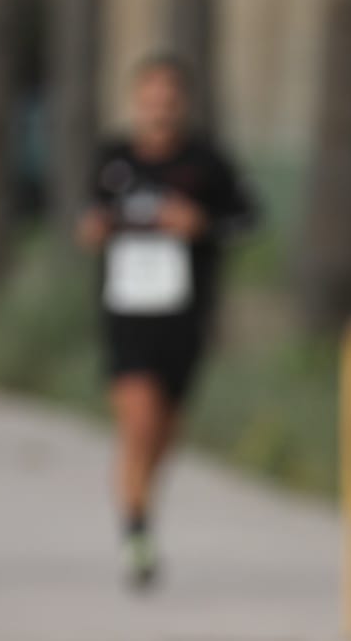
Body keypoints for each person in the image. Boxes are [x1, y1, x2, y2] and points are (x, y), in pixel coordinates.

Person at [77, 55, 257, 590]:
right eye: (150, 97)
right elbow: (88, 218)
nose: (160, 107)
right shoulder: (114, 159)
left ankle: (140, 501)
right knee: (138, 421)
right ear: (137, 101)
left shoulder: (207, 162)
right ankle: (136, 532)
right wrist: (92, 228)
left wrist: (202, 224)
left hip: (183, 316)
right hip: (126, 312)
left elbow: (247, 219)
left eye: (169, 97)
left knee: (164, 432)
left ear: (182, 103)